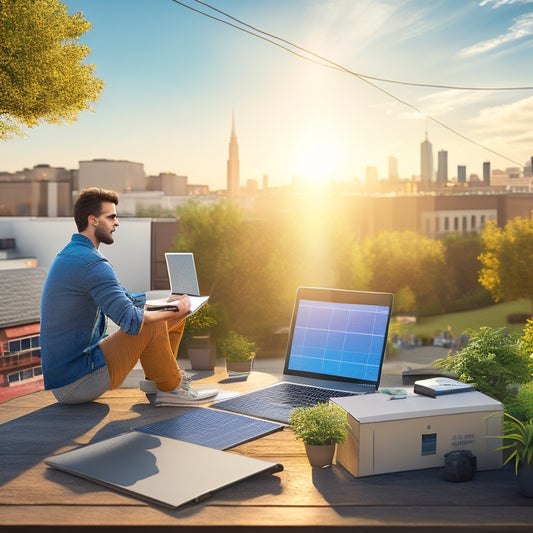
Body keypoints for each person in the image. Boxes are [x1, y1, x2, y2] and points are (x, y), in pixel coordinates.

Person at [40, 187, 218, 406]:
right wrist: (174, 308)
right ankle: (172, 388)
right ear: (93, 220)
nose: (117, 223)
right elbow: (132, 321)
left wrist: (170, 303)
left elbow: (130, 300)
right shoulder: (92, 265)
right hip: (78, 381)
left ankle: (158, 381)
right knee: (152, 323)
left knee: (172, 317)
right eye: (111, 217)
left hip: (71, 376)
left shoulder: (76, 255)